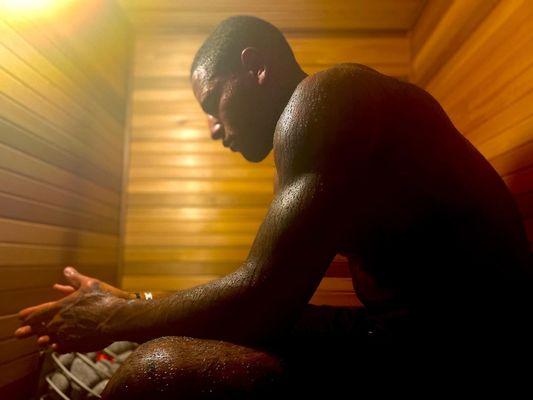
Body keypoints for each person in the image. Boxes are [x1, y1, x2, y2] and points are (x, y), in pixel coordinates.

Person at [15, 16, 532, 397]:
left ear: (255, 68)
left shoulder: (328, 100)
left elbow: (261, 299)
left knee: (151, 369)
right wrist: (131, 301)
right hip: (410, 335)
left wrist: (112, 320)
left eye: (213, 103)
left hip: (469, 356)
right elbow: (268, 293)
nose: (214, 130)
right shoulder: (325, 121)